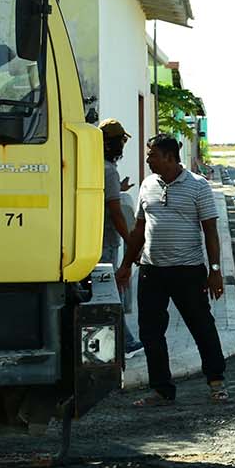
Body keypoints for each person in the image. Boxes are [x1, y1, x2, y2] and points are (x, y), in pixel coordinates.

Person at [125, 133, 228, 405]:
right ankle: (161, 389)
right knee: (150, 332)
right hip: (151, 271)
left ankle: (216, 381)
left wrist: (215, 270)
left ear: (170, 157)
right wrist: (126, 265)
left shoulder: (198, 186)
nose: (148, 160)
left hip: (188, 271)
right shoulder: (147, 185)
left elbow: (211, 232)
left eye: (152, 155)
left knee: (202, 326)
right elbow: (139, 229)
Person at [100, 119, 141, 352]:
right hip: (106, 241)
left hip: (95, 239)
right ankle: (125, 342)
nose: (122, 147)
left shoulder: (94, 165)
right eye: (120, 142)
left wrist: (120, 189)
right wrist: (129, 240)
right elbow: (115, 212)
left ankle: (123, 341)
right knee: (110, 291)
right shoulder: (109, 171)